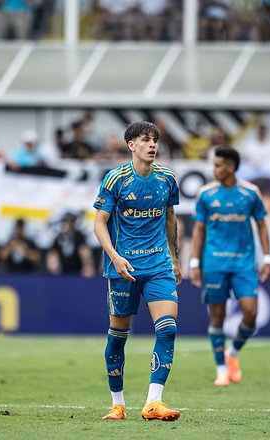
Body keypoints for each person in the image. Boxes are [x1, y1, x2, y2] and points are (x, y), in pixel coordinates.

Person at [93, 120, 182, 421]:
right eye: (145, 140)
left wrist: (176, 258)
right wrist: (115, 257)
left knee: (168, 328)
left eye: (155, 140)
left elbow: (170, 219)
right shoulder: (116, 179)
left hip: (158, 265)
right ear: (131, 145)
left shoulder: (167, 178)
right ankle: (117, 404)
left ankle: (153, 403)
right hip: (124, 267)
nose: (152, 145)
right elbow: (98, 223)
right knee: (118, 336)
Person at [189, 145, 270, 386]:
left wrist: (267, 258)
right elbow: (199, 229)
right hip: (214, 262)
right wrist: (195, 262)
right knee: (217, 316)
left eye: (218, 165)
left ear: (231, 167)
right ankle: (221, 369)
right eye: (213, 165)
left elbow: (262, 225)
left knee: (251, 313)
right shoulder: (205, 194)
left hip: (244, 263)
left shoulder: (250, 193)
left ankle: (232, 354)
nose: (214, 170)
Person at [46, 212, 95, 276]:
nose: (68, 223)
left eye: (71, 221)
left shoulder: (79, 236)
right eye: (66, 221)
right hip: (61, 267)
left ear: (74, 222)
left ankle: (86, 270)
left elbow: (85, 251)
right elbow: (53, 252)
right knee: (53, 256)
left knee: (84, 251)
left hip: (77, 266)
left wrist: (87, 265)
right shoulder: (59, 237)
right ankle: (54, 276)